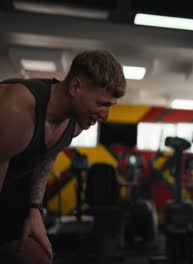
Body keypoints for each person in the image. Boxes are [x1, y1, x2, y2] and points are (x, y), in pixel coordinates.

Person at [0, 50, 127, 263]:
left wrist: (34, 209)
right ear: (75, 87)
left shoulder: (75, 124)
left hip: (11, 185)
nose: (106, 116)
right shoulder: (19, 110)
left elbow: (46, 159)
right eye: (102, 104)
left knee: (40, 258)